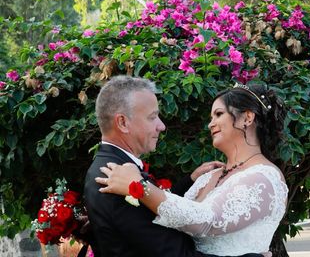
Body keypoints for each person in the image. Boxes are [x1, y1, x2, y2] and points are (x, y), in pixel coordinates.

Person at [96, 81, 288, 257]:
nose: (210, 123)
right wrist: (108, 220)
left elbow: (207, 221)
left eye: (219, 114)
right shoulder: (208, 176)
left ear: (247, 118)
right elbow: (175, 220)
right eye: (211, 116)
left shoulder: (264, 177)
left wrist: (138, 186)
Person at [84, 76, 221, 257]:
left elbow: (150, 216)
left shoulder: (111, 166)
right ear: (123, 123)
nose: (162, 126)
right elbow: (173, 253)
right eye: (152, 117)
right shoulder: (114, 180)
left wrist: (190, 181)